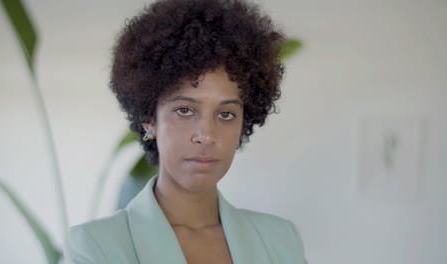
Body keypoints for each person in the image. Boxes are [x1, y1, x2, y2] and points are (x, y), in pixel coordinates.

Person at [63, 0, 307, 263]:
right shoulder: (97, 245)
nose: (206, 135)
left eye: (225, 114)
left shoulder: (280, 240)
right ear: (149, 119)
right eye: (184, 111)